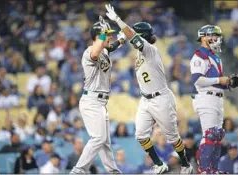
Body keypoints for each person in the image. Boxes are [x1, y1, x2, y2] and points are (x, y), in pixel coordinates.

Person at [105, 4, 193, 174]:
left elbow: (133, 37)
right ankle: (159, 163)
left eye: (135, 34)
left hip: (161, 98)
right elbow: (118, 45)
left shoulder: (150, 49)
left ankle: (185, 164)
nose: (133, 36)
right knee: (140, 135)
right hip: (146, 99)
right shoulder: (139, 54)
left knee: (172, 136)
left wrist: (118, 20)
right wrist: (120, 39)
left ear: (142, 36)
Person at [69, 16, 126, 174]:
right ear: (98, 36)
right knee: (98, 138)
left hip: (100, 103)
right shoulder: (89, 52)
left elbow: (110, 47)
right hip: (91, 101)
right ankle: (79, 170)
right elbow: (95, 52)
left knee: (105, 141)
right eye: (107, 34)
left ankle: (112, 170)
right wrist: (103, 33)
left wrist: (121, 39)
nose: (110, 37)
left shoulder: (104, 50)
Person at [189, 25, 238, 173]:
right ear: (203, 37)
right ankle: (204, 169)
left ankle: (213, 169)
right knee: (210, 134)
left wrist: (231, 82)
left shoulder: (215, 57)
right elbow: (197, 79)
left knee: (218, 136)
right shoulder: (199, 56)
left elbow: (218, 82)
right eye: (213, 35)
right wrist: (220, 80)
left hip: (217, 98)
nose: (217, 39)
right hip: (206, 98)